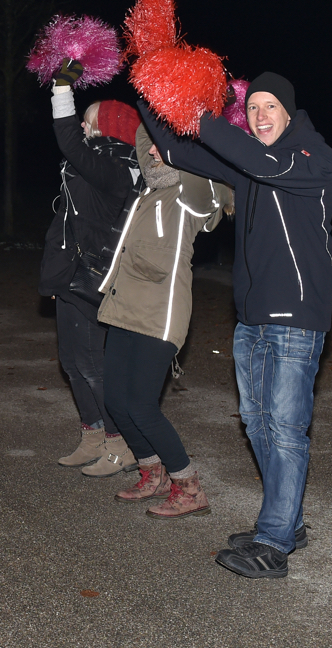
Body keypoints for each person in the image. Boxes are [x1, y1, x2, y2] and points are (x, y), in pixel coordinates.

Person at [139, 72, 332, 578]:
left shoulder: (309, 157)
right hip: (251, 321)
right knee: (258, 424)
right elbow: (181, 152)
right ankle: (284, 522)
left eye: (270, 107)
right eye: (252, 109)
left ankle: (274, 543)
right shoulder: (254, 165)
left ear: (288, 114)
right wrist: (150, 92)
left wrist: (197, 113)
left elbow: (250, 156)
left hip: (295, 319)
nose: (260, 116)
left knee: (287, 431)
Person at [96, 125, 232, 518]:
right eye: (154, 144)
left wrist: (181, 132)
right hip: (125, 307)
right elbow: (144, 142)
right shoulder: (152, 189)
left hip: (161, 311)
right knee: (116, 402)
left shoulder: (196, 194)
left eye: (164, 144)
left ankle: (189, 487)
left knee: (141, 406)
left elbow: (188, 166)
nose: (154, 151)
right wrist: (152, 103)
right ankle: (151, 472)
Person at [38, 59, 143, 477]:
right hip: (72, 275)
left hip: (95, 279)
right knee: (71, 361)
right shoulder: (99, 161)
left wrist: (62, 90)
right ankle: (92, 435)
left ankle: (122, 444)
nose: (82, 125)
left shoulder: (116, 165)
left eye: (88, 119)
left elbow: (67, 141)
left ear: (109, 126)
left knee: (94, 367)